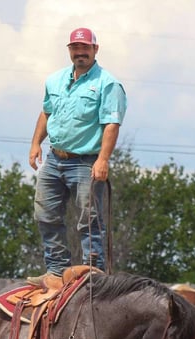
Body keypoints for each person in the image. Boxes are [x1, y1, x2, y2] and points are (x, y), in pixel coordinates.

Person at [27, 27, 127, 286]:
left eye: (85, 47)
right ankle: (56, 270)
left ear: (95, 49)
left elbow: (111, 124)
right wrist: (36, 143)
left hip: (86, 162)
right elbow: (46, 112)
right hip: (54, 159)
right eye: (75, 47)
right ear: (69, 50)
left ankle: (92, 272)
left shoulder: (108, 83)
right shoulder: (55, 80)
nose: (80, 52)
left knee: (89, 219)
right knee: (45, 214)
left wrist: (103, 159)